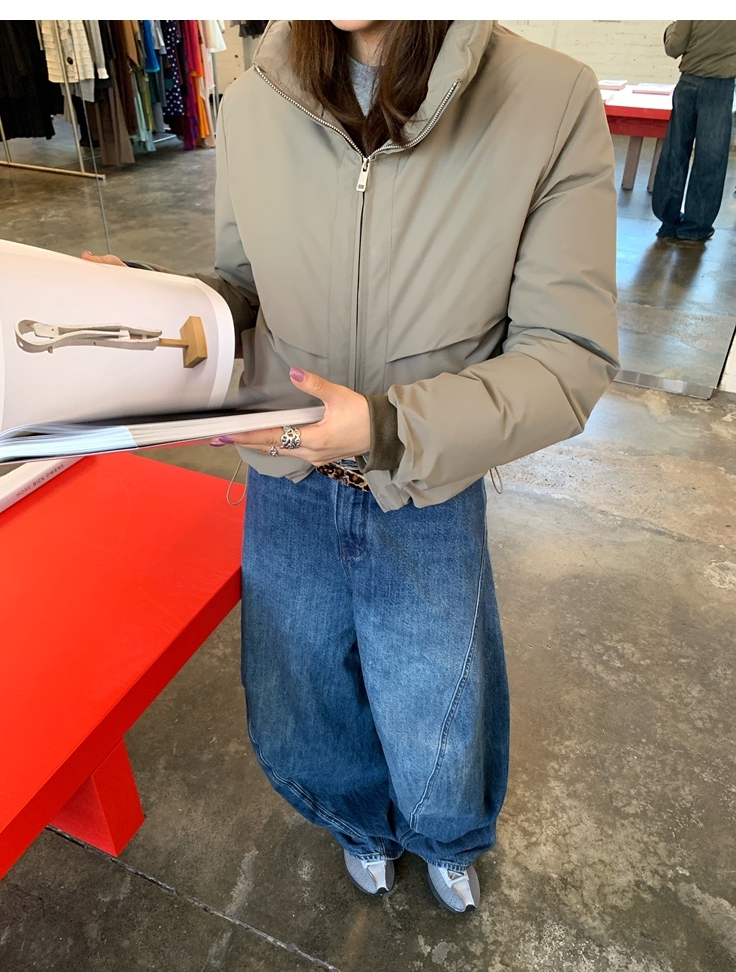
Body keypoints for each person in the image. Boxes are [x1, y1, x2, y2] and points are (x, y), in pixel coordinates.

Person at [85, 20, 618, 914]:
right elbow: (243, 287)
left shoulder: (548, 99)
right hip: (286, 466)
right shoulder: (254, 99)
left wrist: (386, 427)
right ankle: (355, 820)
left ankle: (445, 834)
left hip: (425, 479)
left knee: (438, 694)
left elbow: (567, 353)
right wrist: (151, 306)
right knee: (302, 691)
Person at [652, 20, 736, 243]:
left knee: (675, 153)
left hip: (687, 84)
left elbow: (674, 47)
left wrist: (670, 29)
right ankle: (695, 227)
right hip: (720, 86)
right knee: (710, 159)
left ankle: (668, 221)